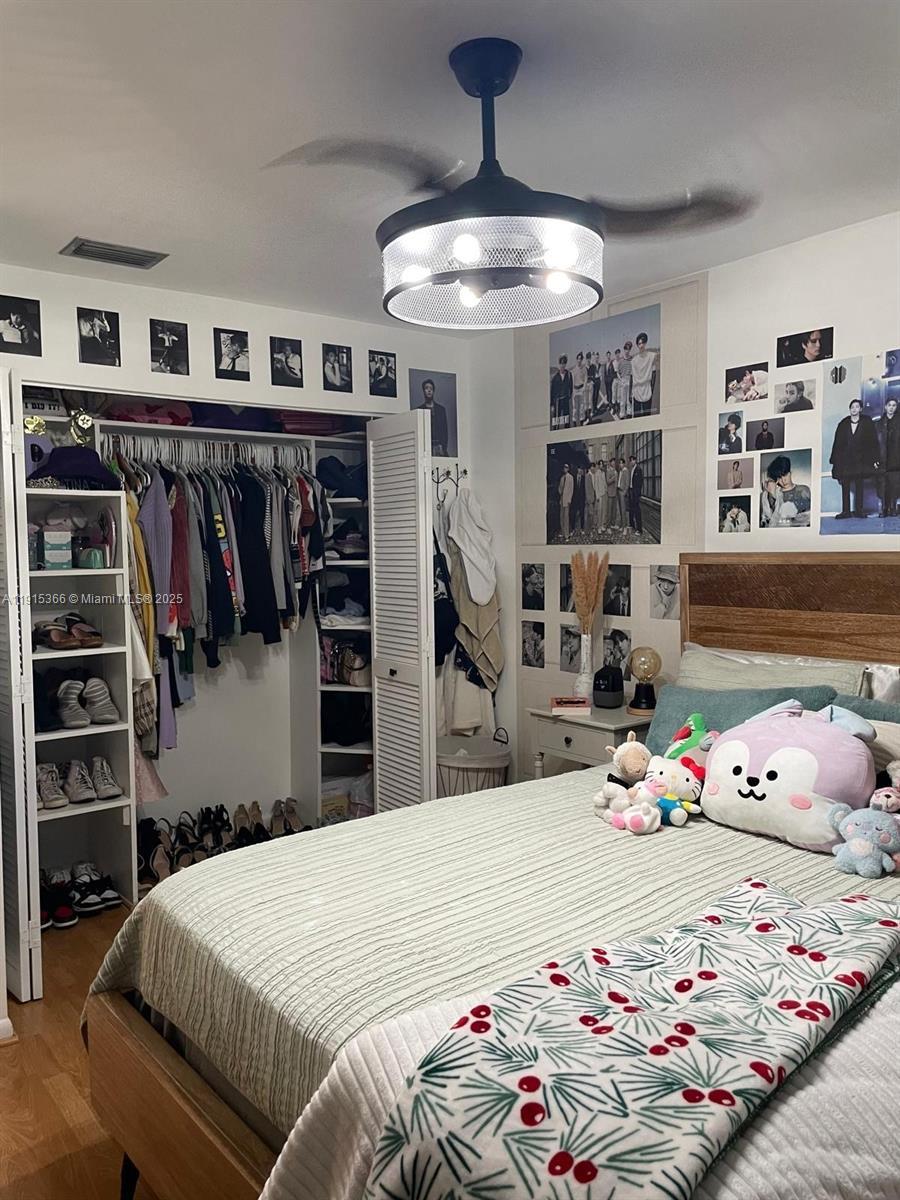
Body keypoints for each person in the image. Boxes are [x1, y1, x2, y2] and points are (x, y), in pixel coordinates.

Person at [829, 398, 880, 519]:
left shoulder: (867, 422)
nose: (854, 409)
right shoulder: (843, 424)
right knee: (845, 486)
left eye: (857, 407)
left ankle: (859, 511)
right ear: (850, 409)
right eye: (852, 407)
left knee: (859, 485)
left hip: (860, 460)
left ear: (860, 409)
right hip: (846, 461)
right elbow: (837, 443)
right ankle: (845, 511)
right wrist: (835, 461)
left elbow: (873, 442)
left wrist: (875, 459)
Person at [760, 455, 811, 528]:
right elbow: (769, 521)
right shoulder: (775, 494)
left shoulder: (803, 490)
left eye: (785, 475)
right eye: (779, 478)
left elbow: (811, 516)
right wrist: (771, 495)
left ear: (790, 472)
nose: (783, 480)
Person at [878, 396, 900, 518]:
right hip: (883, 458)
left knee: (895, 484)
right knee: (883, 484)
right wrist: (875, 459)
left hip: (896, 458)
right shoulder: (879, 423)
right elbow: (874, 443)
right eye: (889, 405)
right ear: (885, 407)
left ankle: (892, 507)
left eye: (894, 405)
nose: (891, 408)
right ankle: (884, 508)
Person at [418, 377, 449, 456]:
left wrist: (443, 448)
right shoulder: (419, 410)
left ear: (433, 391)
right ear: (423, 391)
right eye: (426, 388)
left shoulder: (441, 409)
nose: (429, 390)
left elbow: (445, 431)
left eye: (431, 388)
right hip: (426, 448)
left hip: (439, 447)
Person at [630, 332, 657, 416]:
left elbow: (654, 374)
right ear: (637, 345)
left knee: (647, 414)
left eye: (642, 343)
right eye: (639, 344)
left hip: (647, 390)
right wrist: (630, 393)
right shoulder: (634, 360)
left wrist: (652, 388)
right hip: (637, 391)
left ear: (645, 343)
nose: (641, 345)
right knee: (637, 415)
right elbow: (631, 377)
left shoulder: (651, 356)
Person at [550, 355, 572, 430]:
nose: (562, 365)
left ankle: (567, 432)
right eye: (561, 363)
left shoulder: (569, 375)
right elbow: (552, 392)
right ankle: (555, 432)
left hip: (565, 400)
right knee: (557, 420)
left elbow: (570, 387)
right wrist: (552, 405)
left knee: (566, 419)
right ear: (559, 364)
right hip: (557, 402)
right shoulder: (555, 378)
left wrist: (569, 396)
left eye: (564, 363)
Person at [627, 453, 643, 535]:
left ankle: (639, 529)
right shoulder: (631, 469)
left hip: (635, 493)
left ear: (635, 460)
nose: (632, 462)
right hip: (631, 491)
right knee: (631, 509)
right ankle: (632, 525)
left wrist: (637, 494)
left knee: (637, 511)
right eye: (630, 461)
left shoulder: (638, 469)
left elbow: (640, 482)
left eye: (633, 460)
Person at [617, 342, 633, 418]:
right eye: (626, 349)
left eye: (628, 349)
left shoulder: (631, 359)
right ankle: (622, 413)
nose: (627, 350)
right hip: (623, 379)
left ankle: (629, 412)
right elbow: (617, 372)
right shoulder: (621, 360)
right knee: (622, 399)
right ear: (624, 349)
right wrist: (620, 379)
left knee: (629, 398)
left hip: (630, 379)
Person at [558, 464, 574, 540]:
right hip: (561, 500)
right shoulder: (562, 478)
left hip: (567, 500)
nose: (565, 469)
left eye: (566, 468)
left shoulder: (570, 477)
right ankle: (563, 532)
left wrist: (569, 499)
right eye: (564, 468)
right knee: (561, 516)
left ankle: (566, 534)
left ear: (568, 469)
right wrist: (560, 491)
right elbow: (560, 489)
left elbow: (571, 490)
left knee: (566, 517)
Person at [572, 351, 587, 427]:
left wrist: (584, 387)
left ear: (582, 360)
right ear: (576, 359)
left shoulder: (584, 369)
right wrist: (572, 391)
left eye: (580, 359)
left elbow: (586, 379)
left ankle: (581, 421)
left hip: (581, 389)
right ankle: (574, 421)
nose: (579, 360)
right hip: (575, 389)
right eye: (578, 359)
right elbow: (572, 381)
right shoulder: (573, 370)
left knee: (581, 406)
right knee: (575, 407)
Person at [605, 459, 619, 529]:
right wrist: (614, 477)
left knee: (614, 510)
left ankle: (613, 524)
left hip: (615, 492)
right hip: (610, 493)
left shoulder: (615, 471)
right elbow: (608, 481)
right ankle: (608, 526)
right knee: (609, 510)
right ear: (610, 463)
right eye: (612, 462)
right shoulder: (608, 471)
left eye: (614, 462)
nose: (613, 463)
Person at [616, 456, 629, 530]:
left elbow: (627, 483)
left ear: (624, 464)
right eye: (619, 463)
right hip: (619, 491)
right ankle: (622, 525)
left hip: (622, 492)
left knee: (623, 510)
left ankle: (625, 527)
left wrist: (624, 492)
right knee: (620, 509)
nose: (620, 465)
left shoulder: (625, 471)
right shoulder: (620, 471)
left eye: (621, 463)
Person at [573, 466, 586, 534]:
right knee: (574, 513)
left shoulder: (584, 478)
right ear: (577, 469)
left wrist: (585, 499)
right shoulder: (574, 478)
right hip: (575, 499)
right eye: (579, 469)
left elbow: (585, 489)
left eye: (581, 469)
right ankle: (573, 528)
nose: (580, 470)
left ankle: (582, 528)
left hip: (581, 499)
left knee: (582, 514)